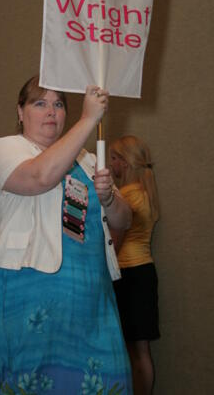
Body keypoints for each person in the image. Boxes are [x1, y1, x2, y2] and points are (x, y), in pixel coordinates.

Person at [0, 75, 133, 395]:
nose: (51, 111)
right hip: (28, 296)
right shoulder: (4, 149)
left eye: (59, 104)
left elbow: (124, 219)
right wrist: (89, 118)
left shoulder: (88, 161)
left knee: (100, 382)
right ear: (20, 112)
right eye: (40, 103)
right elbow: (40, 177)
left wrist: (109, 199)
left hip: (91, 300)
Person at [109, 136, 160, 395]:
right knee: (139, 350)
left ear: (125, 163)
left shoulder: (127, 197)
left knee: (134, 351)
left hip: (129, 275)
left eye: (114, 159)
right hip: (142, 273)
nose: (111, 165)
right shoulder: (145, 192)